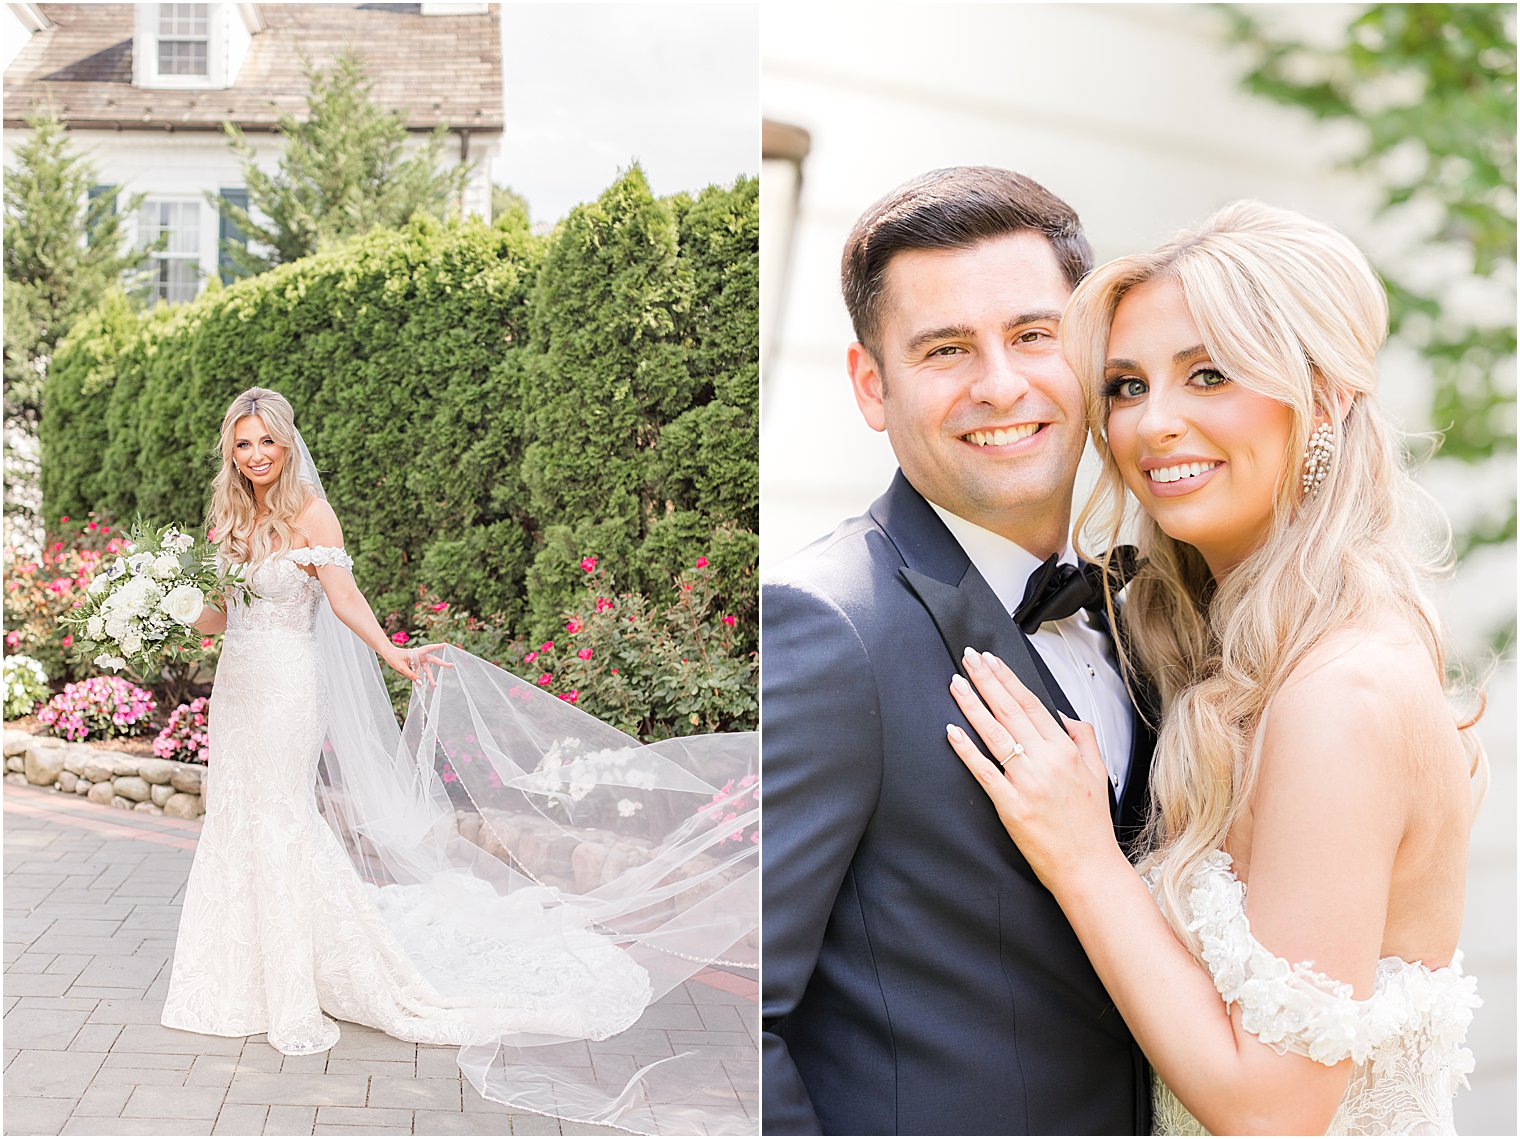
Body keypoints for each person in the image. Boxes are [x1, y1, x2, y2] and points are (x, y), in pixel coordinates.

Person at [945, 202, 1484, 1135]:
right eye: (1125, 385)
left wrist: (1081, 855)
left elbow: (1277, 1110)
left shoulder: (1341, 694)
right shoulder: (1230, 653)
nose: (1155, 423)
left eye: (1208, 375)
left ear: (1326, 396)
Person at [160, 387, 758, 1135]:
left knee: (281, 817)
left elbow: (344, 598)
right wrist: (171, 605)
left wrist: (391, 650)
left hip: (287, 688)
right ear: (230, 448)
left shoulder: (310, 511)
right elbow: (224, 615)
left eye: (267, 442)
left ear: (286, 443)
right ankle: (233, 977)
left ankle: (294, 988)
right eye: (243, 443)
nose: (255, 455)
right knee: (236, 815)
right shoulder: (228, 517)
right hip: (238, 686)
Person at [762, 168, 1154, 1135]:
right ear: (872, 385)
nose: (1000, 383)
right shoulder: (825, 627)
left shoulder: (1153, 613)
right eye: (945, 349)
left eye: (1034, 335)